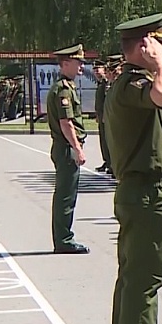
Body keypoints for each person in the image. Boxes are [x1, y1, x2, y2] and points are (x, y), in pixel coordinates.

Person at [105, 12, 162, 324]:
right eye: (157, 42)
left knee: (134, 278)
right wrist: (160, 62)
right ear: (145, 45)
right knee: (143, 281)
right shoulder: (134, 83)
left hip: (141, 191)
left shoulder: (129, 83)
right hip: (147, 192)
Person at [47, 44, 90, 255]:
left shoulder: (66, 86)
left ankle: (63, 237)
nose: (81, 66)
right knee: (66, 196)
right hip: (66, 148)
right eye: (77, 62)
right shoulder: (63, 89)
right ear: (65, 64)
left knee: (66, 194)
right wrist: (77, 148)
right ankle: (64, 239)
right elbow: (66, 123)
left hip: (65, 147)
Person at [93, 61, 112, 173]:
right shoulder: (100, 83)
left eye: (98, 69)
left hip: (106, 116)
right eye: (94, 70)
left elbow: (106, 101)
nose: (96, 72)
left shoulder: (106, 83)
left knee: (108, 140)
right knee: (103, 140)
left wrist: (105, 114)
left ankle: (110, 163)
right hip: (101, 116)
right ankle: (106, 161)